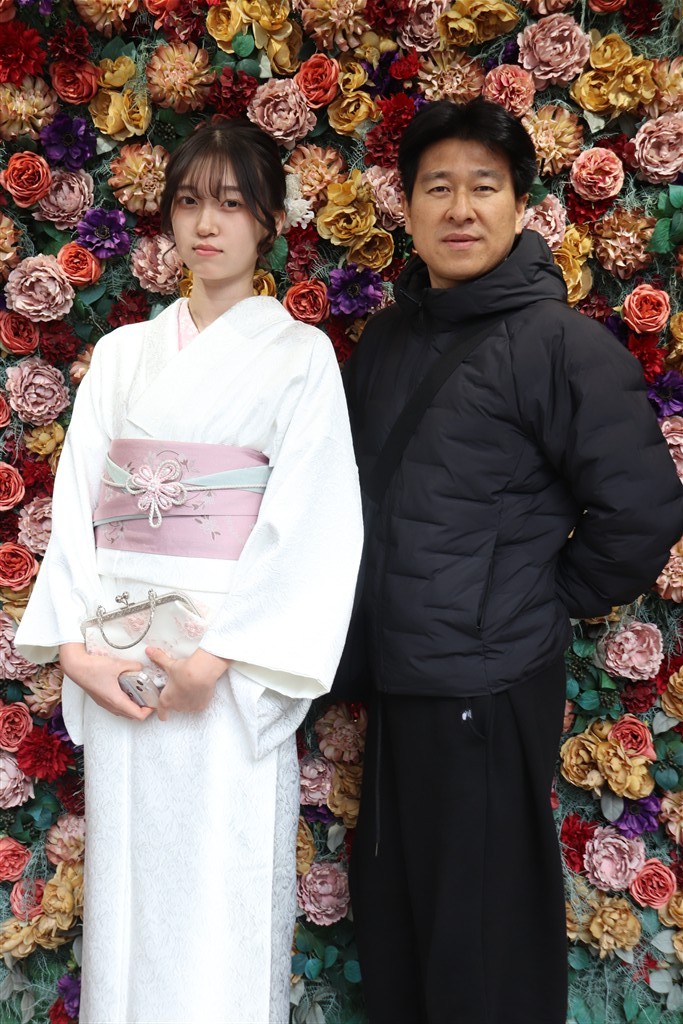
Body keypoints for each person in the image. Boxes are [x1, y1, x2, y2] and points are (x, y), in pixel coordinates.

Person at [343, 98, 683, 1024]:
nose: (459, 208)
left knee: (482, 945)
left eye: (482, 187)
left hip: (486, 691)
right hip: (398, 680)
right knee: (399, 930)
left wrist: (535, 599)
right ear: (406, 206)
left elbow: (642, 507)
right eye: (436, 187)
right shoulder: (387, 341)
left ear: (522, 206)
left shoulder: (558, 345)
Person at [15, 119, 363, 1024]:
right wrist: (77, 651)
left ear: (270, 221)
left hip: (224, 663)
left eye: (231, 203)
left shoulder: (299, 358)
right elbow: (80, 505)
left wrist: (220, 660)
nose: (206, 224)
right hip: (121, 655)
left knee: (221, 890)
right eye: (188, 202)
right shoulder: (124, 354)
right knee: (129, 892)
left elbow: (313, 525)